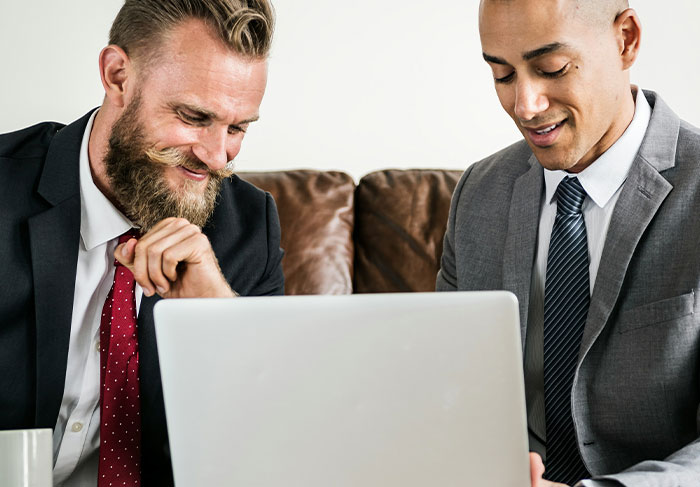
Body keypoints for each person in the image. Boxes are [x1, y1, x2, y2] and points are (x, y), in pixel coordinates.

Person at [0, 1, 284, 485]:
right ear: (117, 76)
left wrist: (222, 324)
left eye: (237, 128)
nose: (217, 158)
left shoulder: (248, 226)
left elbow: (273, 446)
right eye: (195, 116)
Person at [437, 0, 699, 486]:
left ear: (626, 39)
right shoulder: (479, 192)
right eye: (502, 75)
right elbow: (445, 382)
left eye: (551, 68)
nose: (525, 105)